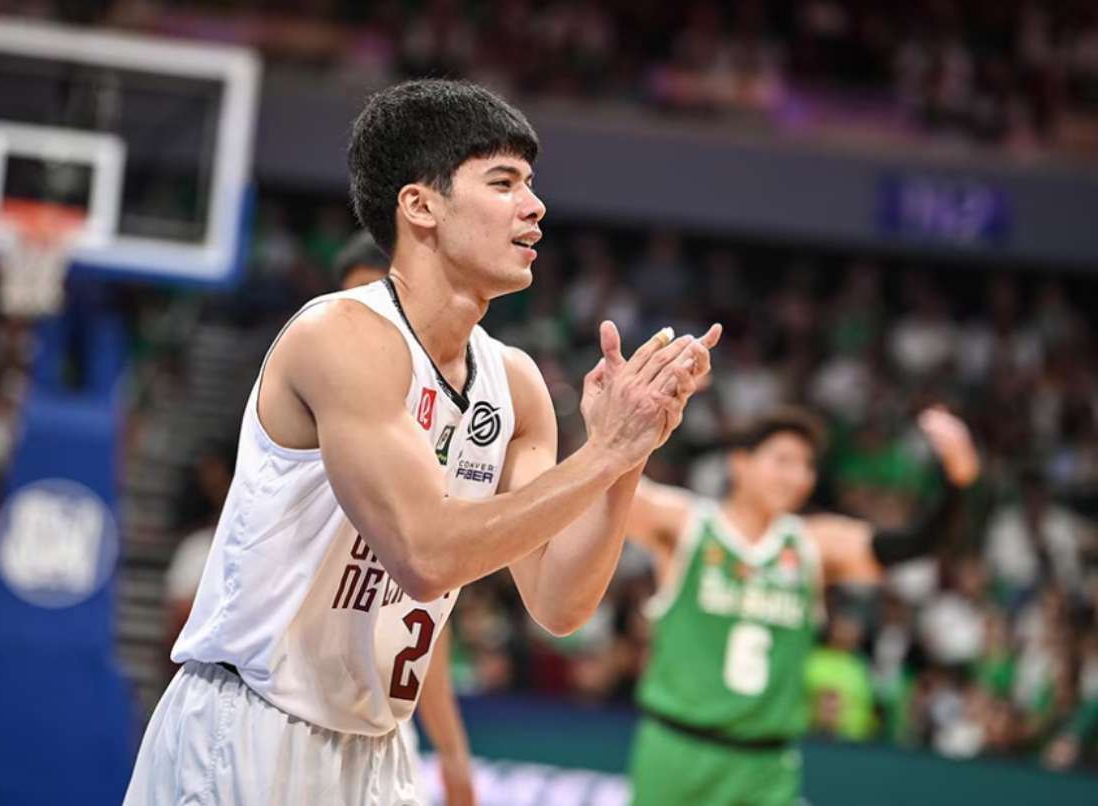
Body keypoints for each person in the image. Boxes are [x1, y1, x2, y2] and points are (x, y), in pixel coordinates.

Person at [124, 78, 721, 805]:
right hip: (251, 727)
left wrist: (628, 454)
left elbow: (561, 603)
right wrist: (599, 455)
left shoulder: (517, 382)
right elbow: (426, 555)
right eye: (503, 183)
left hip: (376, 747)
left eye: (530, 185)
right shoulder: (340, 336)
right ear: (420, 205)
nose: (534, 208)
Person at [625, 405, 979, 806]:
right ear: (739, 463)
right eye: (783, 461)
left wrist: (958, 481)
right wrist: (637, 411)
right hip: (677, 749)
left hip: (766, 763)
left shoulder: (814, 544)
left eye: (807, 465)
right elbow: (609, 483)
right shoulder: (687, 524)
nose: (797, 476)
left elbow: (914, 543)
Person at [335, 229, 477, 805]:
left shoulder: (456, 422)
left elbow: (423, 627)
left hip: (382, 728)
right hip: (279, 711)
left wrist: (452, 748)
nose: (368, 329)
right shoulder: (314, 399)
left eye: (381, 305)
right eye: (353, 307)